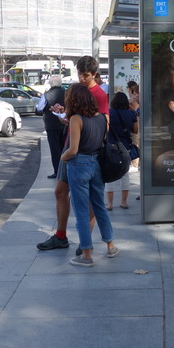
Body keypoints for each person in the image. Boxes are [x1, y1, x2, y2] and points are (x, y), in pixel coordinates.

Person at [37, 56, 109, 253]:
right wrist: (63, 116)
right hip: (71, 146)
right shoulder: (74, 90)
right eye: (79, 74)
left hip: (89, 151)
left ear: (94, 74)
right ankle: (61, 236)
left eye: (85, 75)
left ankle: (85, 242)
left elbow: (105, 124)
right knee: (60, 191)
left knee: (92, 199)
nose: (82, 78)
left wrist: (82, 128)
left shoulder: (100, 95)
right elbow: (71, 117)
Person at [60, 84, 118, 267]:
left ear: (74, 100)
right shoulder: (101, 118)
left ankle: (86, 254)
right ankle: (110, 246)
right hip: (96, 165)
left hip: (79, 165)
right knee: (99, 206)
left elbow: (73, 149)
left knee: (82, 211)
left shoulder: (77, 119)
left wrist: (62, 157)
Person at [104, 92, 138, 209]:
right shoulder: (131, 113)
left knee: (110, 174)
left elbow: (105, 130)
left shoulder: (109, 113)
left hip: (111, 147)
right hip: (125, 148)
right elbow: (135, 131)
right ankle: (124, 202)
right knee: (125, 174)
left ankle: (109, 203)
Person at [39, 75, 67, 179]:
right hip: (65, 123)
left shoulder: (46, 95)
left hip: (51, 125)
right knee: (64, 147)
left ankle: (57, 171)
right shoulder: (66, 93)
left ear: (50, 83)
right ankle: (65, 169)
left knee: (54, 149)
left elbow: (39, 107)